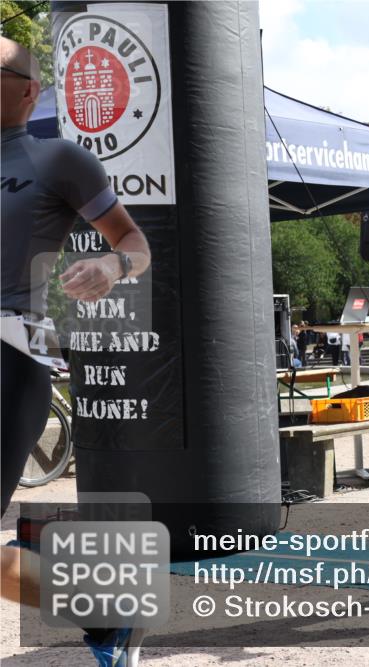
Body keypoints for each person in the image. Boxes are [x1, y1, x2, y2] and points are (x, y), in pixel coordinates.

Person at [1, 37, 151, 666]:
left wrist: (113, 265)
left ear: (29, 90)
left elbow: (135, 241)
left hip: (8, 355)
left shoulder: (56, 157)